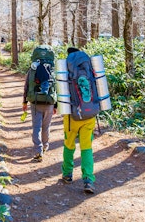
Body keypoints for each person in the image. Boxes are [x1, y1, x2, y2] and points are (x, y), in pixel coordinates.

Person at [62, 46, 96, 193]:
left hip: (72, 116)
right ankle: (88, 179)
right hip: (90, 115)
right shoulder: (89, 66)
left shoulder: (66, 67)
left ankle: (68, 174)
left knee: (69, 144)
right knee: (86, 148)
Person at [22, 47, 57, 162]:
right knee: (46, 126)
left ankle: (38, 150)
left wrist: (24, 102)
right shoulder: (52, 70)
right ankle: (45, 146)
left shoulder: (32, 70)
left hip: (35, 102)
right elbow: (56, 88)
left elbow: (26, 87)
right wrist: (55, 105)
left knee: (36, 127)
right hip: (49, 102)